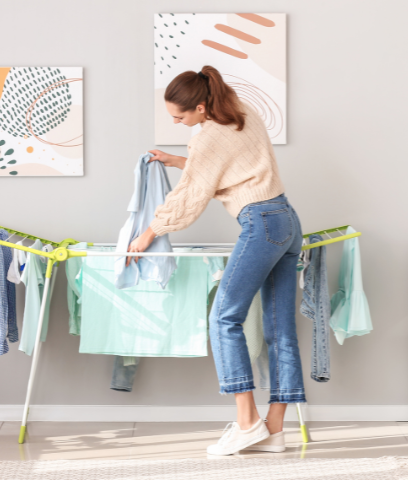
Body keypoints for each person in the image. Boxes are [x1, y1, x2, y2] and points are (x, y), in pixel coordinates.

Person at [126, 65, 306, 455]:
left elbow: (191, 196)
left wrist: (149, 232)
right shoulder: (243, 111)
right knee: (280, 330)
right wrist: (177, 160)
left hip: (260, 222)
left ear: (202, 107)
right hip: (288, 220)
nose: (177, 121)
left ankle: (247, 422)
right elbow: (227, 165)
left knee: (224, 318)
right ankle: (274, 430)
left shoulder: (207, 138)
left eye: (180, 116)